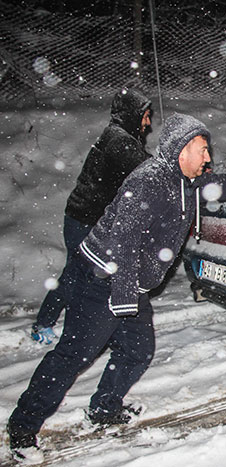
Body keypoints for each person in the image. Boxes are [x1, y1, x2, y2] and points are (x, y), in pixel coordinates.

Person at [7, 113, 226, 458]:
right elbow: (123, 241)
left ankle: (104, 410)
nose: (208, 157)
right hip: (101, 279)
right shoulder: (149, 182)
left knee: (138, 351)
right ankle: (22, 431)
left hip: (128, 283)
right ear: (182, 149)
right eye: (202, 149)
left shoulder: (189, 182)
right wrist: (123, 297)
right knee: (72, 356)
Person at [31, 87, 153, 345]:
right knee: (78, 274)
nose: (148, 122)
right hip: (85, 221)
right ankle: (47, 324)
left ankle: (86, 325)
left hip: (86, 218)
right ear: (133, 114)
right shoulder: (119, 141)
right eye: (145, 115)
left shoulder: (120, 137)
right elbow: (149, 171)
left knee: (86, 274)